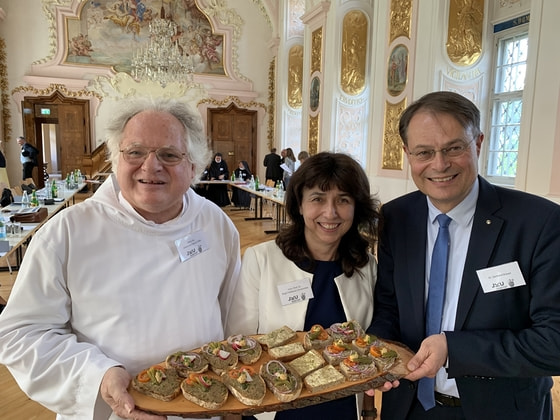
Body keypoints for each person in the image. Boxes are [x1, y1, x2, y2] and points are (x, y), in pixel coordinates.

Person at [0, 97, 241, 420]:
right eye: (136, 152)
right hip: (112, 412)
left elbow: (230, 314)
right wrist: (99, 375)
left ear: (193, 167)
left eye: (169, 155)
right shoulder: (68, 232)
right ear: (115, 160)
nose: (151, 166)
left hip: (201, 406)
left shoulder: (216, 223)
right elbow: (21, 334)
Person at [369, 91, 560, 419]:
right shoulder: (396, 218)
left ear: (479, 143)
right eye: (424, 152)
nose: (439, 164)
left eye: (454, 148)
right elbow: (389, 305)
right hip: (409, 408)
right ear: (407, 154)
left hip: (502, 410)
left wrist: (454, 351)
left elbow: (554, 342)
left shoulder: (539, 223)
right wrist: (377, 351)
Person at [226, 151, 381, 420]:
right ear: (299, 204)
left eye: (343, 200)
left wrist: (369, 411)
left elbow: (366, 346)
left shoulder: (366, 266)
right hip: (275, 408)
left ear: (356, 208)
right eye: (317, 199)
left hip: (341, 408)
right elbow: (239, 344)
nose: (330, 212)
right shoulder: (261, 260)